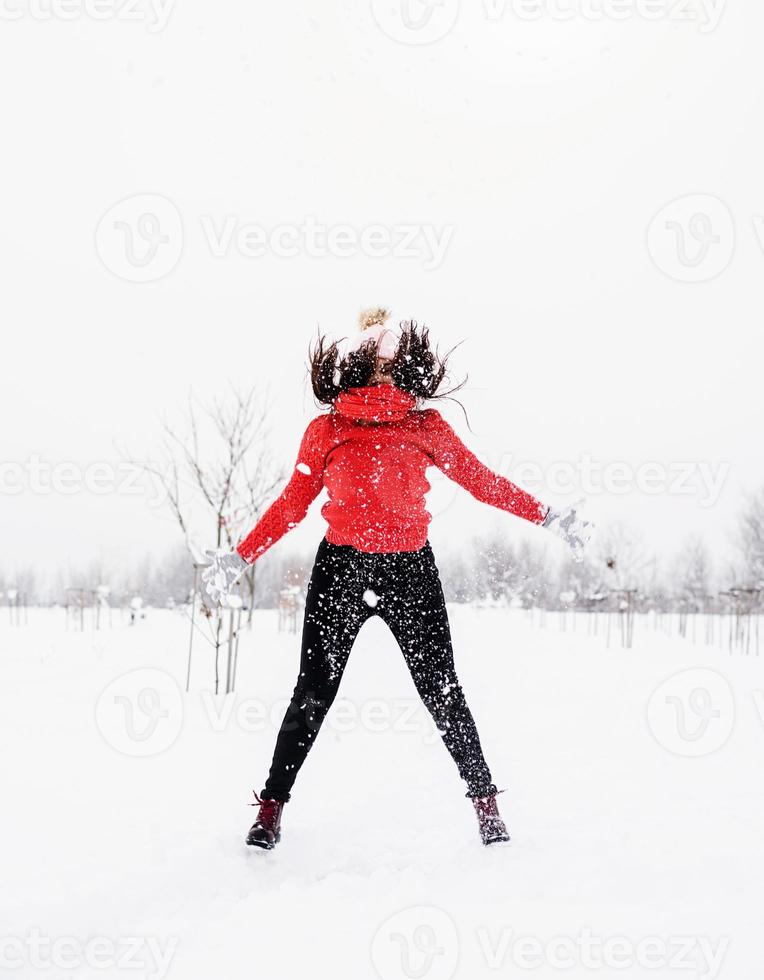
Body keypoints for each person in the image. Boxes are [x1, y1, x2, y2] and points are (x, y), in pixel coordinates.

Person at [202, 309, 592, 849]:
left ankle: (485, 803)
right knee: (313, 693)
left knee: (442, 690)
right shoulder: (327, 430)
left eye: (391, 362)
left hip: (410, 571)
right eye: (377, 362)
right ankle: (271, 808)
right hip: (341, 569)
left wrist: (546, 515)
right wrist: (239, 557)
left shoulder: (424, 425)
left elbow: (481, 482)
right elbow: (293, 503)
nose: (385, 372)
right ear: (356, 365)